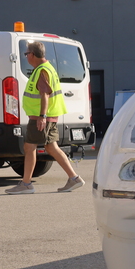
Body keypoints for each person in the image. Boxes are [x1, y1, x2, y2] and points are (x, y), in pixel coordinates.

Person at [5, 41, 85, 194]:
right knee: (51, 147)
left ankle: (26, 184)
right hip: (47, 117)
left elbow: (45, 95)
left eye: (26, 53)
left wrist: (42, 116)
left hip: (40, 118)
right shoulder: (47, 68)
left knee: (29, 147)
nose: (26, 56)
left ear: (32, 54)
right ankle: (74, 179)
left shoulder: (42, 70)